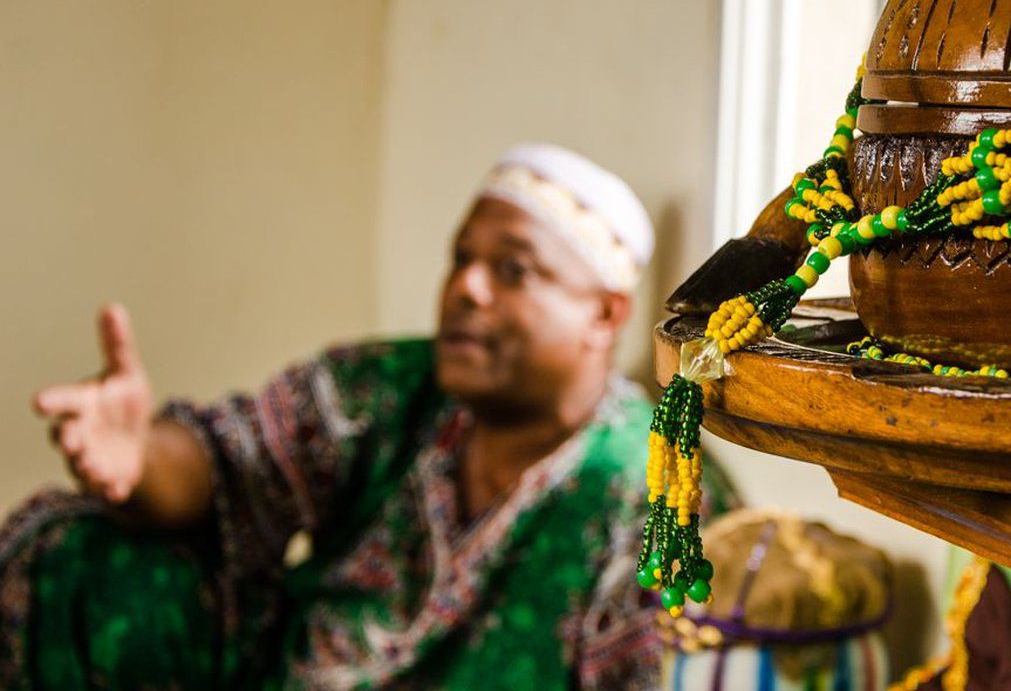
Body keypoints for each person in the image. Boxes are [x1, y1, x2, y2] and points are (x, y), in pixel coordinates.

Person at [0, 144, 734, 690]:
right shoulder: (388, 386)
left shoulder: (655, 491)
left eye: (513, 269)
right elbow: (233, 459)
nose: (466, 288)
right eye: (460, 259)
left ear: (603, 315)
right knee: (81, 556)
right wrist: (142, 455)